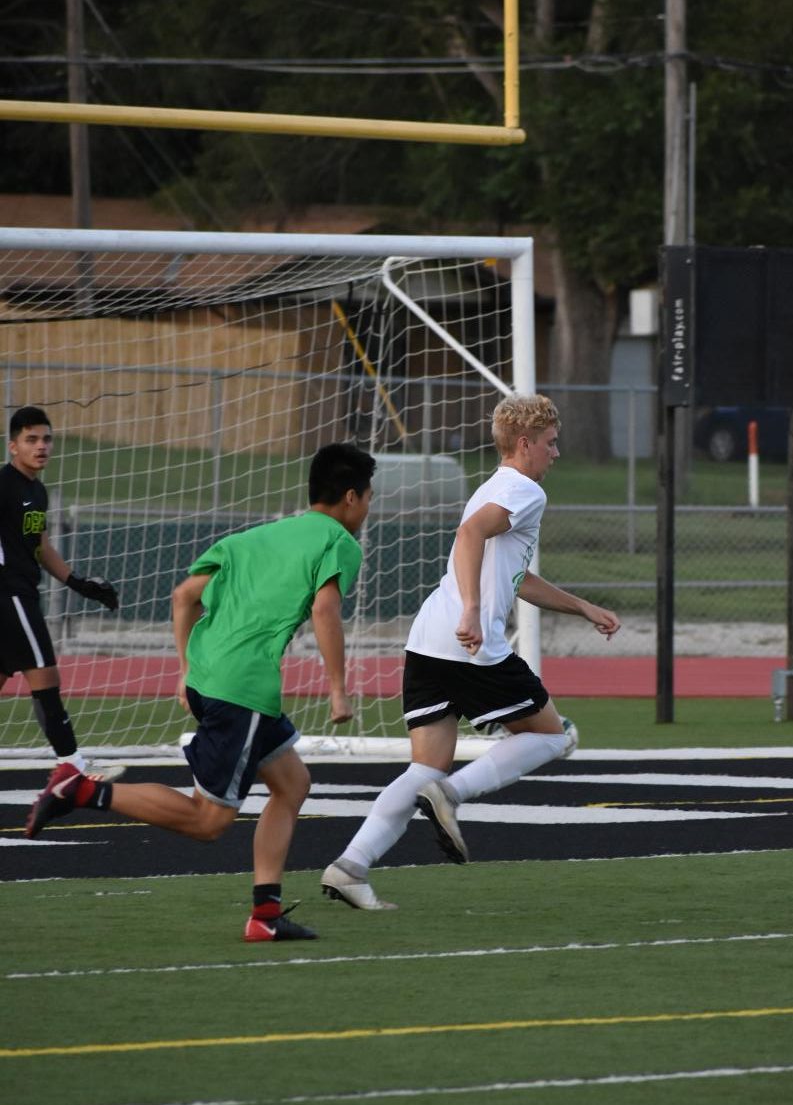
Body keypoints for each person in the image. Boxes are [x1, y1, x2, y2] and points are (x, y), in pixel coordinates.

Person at [26, 441, 377, 944]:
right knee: (208, 820)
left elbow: (184, 596)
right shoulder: (339, 542)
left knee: (292, 784)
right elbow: (325, 611)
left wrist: (187, 669)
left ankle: (266, 915)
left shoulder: (256, 537)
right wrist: (339, 690)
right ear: (350, 497)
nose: (367, 509)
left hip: (213, 676)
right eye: (368, 498)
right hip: (244, 689)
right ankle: (82, 789)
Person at [321, 392, 620, 912]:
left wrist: (581, 606)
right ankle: (452, 797)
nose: (556, 452)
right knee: (557, 735)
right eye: (551, 443)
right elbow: (470, 533)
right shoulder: (524, 489)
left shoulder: (496, 485)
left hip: (427, 642)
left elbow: (516, 576)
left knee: (424, 769)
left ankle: (349, 866)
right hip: (469, 644)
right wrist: (472, 612)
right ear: (525, 444)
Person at [1, 406, 121, 781]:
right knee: (45, 674)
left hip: (21, 593)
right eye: (31, 439)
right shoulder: (3, 485)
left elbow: (40, 545)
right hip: (10, 595)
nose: (41, 446)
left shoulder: (36, 491)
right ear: (13, 446)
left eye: (46, 439)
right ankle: (72, 764)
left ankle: (70, 763)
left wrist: (78, 582)